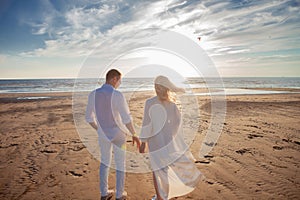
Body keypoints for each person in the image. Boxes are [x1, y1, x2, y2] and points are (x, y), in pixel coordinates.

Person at [139, 76, 202, 200]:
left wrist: (143, 142)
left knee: (157, 169)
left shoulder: (150, 102)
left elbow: (147, 124)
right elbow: (177, 123)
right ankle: (164, 195)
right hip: (168, 141)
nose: (155, 88)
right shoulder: (172, 105)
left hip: (155, 142)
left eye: (156, 86)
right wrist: (171, 134)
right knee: (165, 169)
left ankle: (160, 197)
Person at [85, 69, 140, 200]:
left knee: (105, 162)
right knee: (120, 163)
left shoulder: (93, 94)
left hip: (103, 134)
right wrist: (134, 134)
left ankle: (104, 193)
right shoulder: (117, 95)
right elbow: (126, 118)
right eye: (120, 80)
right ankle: (119, 195)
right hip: (119, 135)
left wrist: (99, 129)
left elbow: (89, 118)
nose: (120, 83)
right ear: (114, 79)